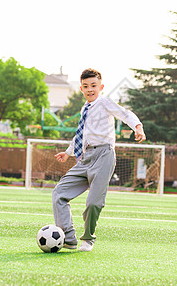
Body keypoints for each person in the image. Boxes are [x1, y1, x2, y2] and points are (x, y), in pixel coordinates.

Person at [52, 68, 146, 252]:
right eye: (86, 86)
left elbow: (125, 114)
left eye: (93, 86)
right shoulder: (84, 109)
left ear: (101, 87)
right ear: (81, 89)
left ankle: (88, 239)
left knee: (93, 203)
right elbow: (82, 135)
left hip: (104, 156)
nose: (90, 89)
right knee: (58, 194)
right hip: (85, 158)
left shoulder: (104, 103)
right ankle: (69, 238)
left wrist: (138, 126)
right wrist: (68, 152)